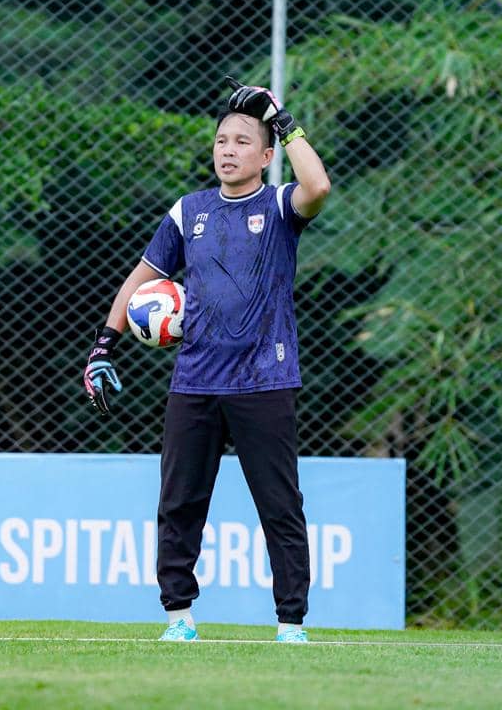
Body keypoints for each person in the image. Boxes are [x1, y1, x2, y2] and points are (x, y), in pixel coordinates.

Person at [83, 80, 331, 644]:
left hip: (264, 379)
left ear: (266, 157)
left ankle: (291, 624)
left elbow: (318, 184)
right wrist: (104, 343)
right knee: (179, 502)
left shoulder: (278, 205)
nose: (228, 149)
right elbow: (141, 279)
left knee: (280, 505)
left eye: (243, 140)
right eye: (222, 139)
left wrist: (283, 120)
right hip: (194, 381)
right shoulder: (187, 211)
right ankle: (179, 617)